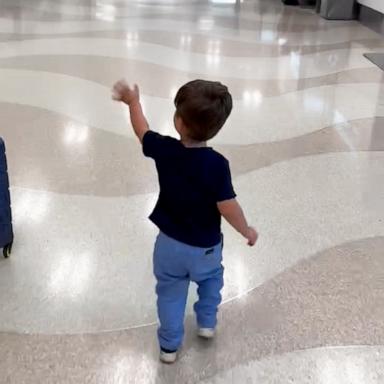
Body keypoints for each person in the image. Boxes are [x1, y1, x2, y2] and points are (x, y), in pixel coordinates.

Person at [112, 79, 258, 364]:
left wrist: (133, 103)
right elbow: (228, 207)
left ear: (178, 122)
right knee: (212, 279)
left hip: (168, 246)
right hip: (205, 248)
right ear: (216, 128)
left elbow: (142, 131)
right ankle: (206, 322)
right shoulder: (217, 165)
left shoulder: (165, 149)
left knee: (169, 294)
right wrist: (246, 230)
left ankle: (168, 346)